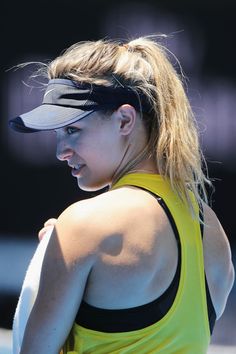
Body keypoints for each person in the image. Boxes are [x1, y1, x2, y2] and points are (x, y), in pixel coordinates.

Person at [9, 36, 235, 354]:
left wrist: (59, 253)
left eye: (72, 130)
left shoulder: (84, 224)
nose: (61, 151)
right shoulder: (213, 235)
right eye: (58, 134)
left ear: (125, 120)